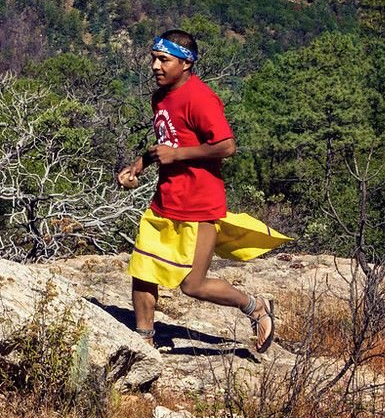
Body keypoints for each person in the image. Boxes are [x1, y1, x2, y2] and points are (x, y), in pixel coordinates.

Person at [117, 30, 276, 353]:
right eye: (154, 59)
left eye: (164, 60)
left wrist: (178, 156)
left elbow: (227, 146)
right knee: (143, 270)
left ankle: (255, 306)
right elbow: (167, 141)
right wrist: (138, 166)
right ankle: (144, 339)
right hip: (165, 201)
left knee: (194, 285)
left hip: (200, 206)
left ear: (186, 63)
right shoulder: (160, 97)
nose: (155, 66)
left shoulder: (200, 98)